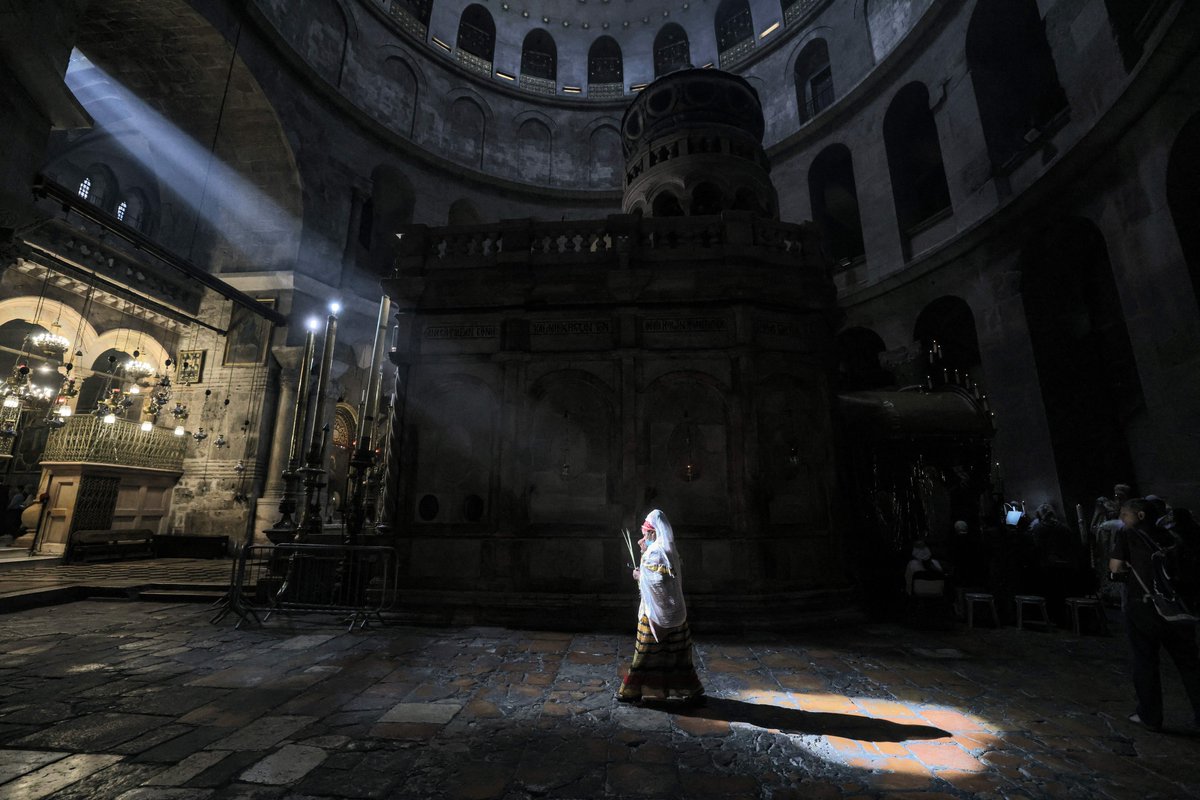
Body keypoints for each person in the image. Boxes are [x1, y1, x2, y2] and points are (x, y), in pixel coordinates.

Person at [1109, 497, 1200, 732]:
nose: (1121, 519)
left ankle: (1149, 715)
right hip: (1178, 609)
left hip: (1144, 606)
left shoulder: (1129, 535)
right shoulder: (1175, 534)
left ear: (1140, 515)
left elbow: (1115, 567)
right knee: (1190, 665)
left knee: (1145, 661)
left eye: (1124, 515)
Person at [616, 509, 705, 706]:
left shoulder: (656, 552)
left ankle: (633, 691)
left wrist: (640, 576)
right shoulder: (668, 548)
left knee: (645, 654)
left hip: (655, 614)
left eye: (645, 533)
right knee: (679, 656)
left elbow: (657, 583)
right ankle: (690, 690)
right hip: (674, 613)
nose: (643, 537)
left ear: (654, 532)